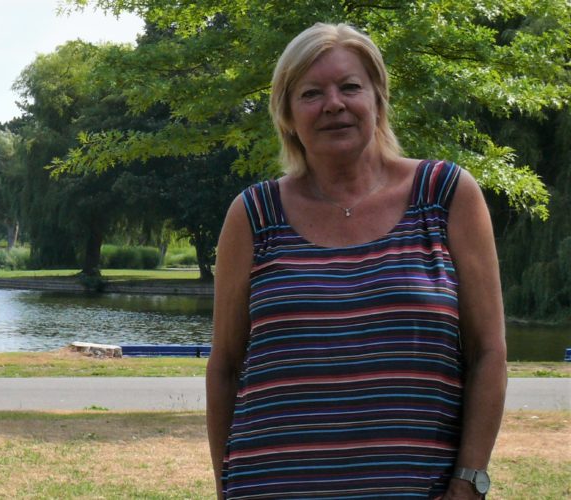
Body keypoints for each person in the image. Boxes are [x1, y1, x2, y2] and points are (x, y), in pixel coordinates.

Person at [207, 23, 506, 499]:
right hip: (272, 487)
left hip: (415, 488)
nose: (333, 104)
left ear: (378, 97)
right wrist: (227, 487)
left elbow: (488, 352)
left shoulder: (446, 195)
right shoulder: (253, 215)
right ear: (286, 114)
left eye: (350, 86)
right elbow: (224, 365)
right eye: (311, 93)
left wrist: (469, 481)